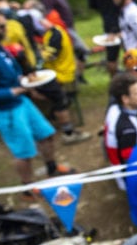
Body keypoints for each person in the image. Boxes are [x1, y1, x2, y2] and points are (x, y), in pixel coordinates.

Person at [0, 7, 74, 200]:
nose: (6, 30)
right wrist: (18, 89)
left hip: (21, 101)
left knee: (46, 134)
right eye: (1, 27)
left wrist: (27, 80)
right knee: (24, 151)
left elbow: (13, 72)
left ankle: (52, 168)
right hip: (5, 111)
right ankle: (28, 186)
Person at [30, 9, 92, 145]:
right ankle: (54, 116)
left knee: (54, 97)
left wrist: (36, 55)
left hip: (61, 73)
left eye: (40, 21)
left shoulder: (55, 34)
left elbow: (51, 55)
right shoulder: (51, 32)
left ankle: (66, 131)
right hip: (56, 71)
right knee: (40, 92)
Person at [39, 0, 87, 76]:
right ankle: (76, 76)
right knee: (81, 50)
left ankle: (78, 75)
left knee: (78, 51)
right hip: (62, 29)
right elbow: (49, 15)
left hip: (69, 26)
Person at [104, 72, 137, 189]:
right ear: (125, 99)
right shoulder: (128, 129)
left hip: (115, 160)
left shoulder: (114, 107)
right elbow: (132, 163)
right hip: (128, 177)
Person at [87, 0, 122, 75]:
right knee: (132, 50)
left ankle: (114, 80)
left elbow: (92, 5)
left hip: (108, 22)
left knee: (112, 56)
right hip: (125, 20)